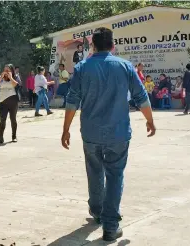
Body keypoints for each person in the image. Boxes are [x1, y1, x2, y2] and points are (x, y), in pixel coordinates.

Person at [61, 27, 156, 242]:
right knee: (115, 175)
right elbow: (141, 96)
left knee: (94, 172)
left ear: (92, 46)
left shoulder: (83, 67)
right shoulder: (125, 66)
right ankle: (111, 225)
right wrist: (149, 120)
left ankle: (97, 211)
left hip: (91, 133)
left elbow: (72, 100)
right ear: (113, 46)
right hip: (118, 133)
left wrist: (66, 129)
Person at [0, 64, 20, 144]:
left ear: (12, 71)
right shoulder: (1, 78)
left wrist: (11, 77)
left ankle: (14, 136)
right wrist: (1, 77)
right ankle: (0, 137)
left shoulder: (15, 77)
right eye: (5, 70)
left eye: (8, 70)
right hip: (3, 102)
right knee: (2, 119)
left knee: (13, 119)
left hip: (13, 101)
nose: (6, 72)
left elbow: (17, 85)